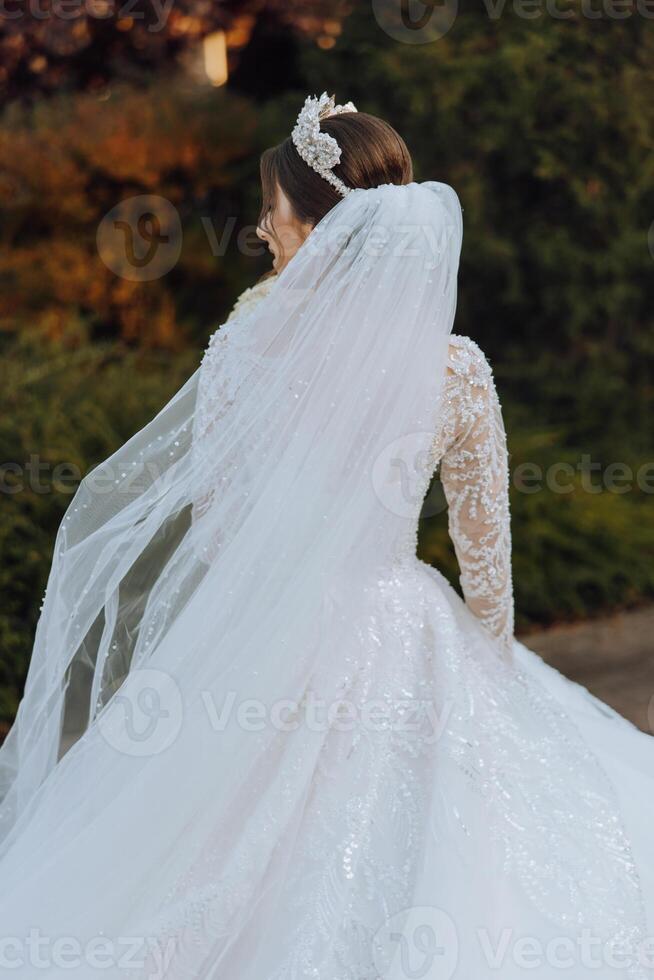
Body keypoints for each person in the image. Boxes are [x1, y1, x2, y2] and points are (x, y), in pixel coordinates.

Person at [0, 93, 651, 980]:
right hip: (404, 630)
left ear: (318, 224)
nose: (263, 231)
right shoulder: (453, 367)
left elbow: (224, 530)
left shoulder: (244, 350)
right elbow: (483, 551)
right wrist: (491, 681)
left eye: (271, 211)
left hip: (268, 635)